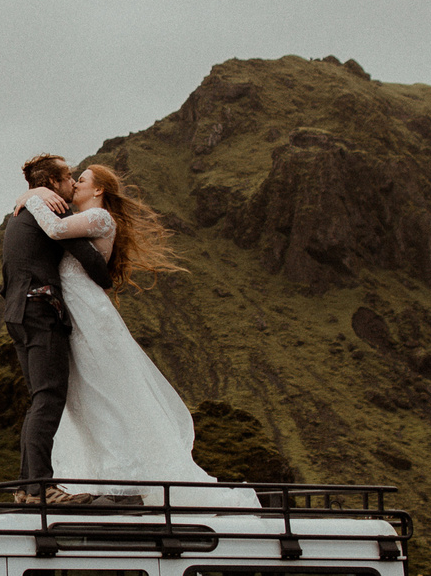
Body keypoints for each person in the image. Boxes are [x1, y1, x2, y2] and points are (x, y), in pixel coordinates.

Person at [16, 165, 261, 509]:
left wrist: (30, 196)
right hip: (70, 309)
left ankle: (123, 476)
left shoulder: (100, 218)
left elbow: (55, 229)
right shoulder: (79, 219)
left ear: (98, 190)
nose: (74, 183)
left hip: (87, 310)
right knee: (86, 393)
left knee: (107, 388)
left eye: (81, 180)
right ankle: (105, 474)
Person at [0, 153, 117, 492]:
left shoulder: (20, 213)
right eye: (68, 177)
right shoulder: (50, 208)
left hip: (16, 313)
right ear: (52, 184)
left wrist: (27, 195)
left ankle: (27, 488)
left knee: (40, 398)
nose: (73, 182)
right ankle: (40, 489)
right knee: (49, 397)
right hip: (40, 310)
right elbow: (92, 264)